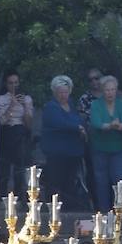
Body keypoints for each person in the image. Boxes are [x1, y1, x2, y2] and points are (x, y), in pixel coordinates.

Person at [41, 75, 87, 208]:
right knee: (55, 183)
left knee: (70, 183)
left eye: (65, 92)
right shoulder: (51, 107)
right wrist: (77, 128)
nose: (63, 95)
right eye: (60, 92)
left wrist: (80, 126)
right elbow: (60, 122)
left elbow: (80, 120)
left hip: (73, 153)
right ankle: (52, 210)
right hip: (56, 153)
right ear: (54, 92)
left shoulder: (72, 105)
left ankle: (70, 210)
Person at [89, 74, 122, 210]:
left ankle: (120, 211)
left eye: (113, 90)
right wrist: (110, 126)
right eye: (107, 90)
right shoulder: (96, 104)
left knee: (120, 181)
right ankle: (104, 212)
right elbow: (96, 123)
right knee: (101, 182)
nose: (110, 93)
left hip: (119, 149)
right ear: (102, 90)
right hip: (100, 149)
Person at [0, 69, 33, 195]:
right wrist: (12, 105)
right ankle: (1, 197)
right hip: (6, 134)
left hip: (20, 132)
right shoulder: (0, 99)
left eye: (16, 83)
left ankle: (19, 196)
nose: (14, 86)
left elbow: (28, 124)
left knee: (20, 168)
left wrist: (25, 107)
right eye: (11, 83)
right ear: (6, 84)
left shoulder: (27, 99)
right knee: (4, 169)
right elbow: (1, 121)